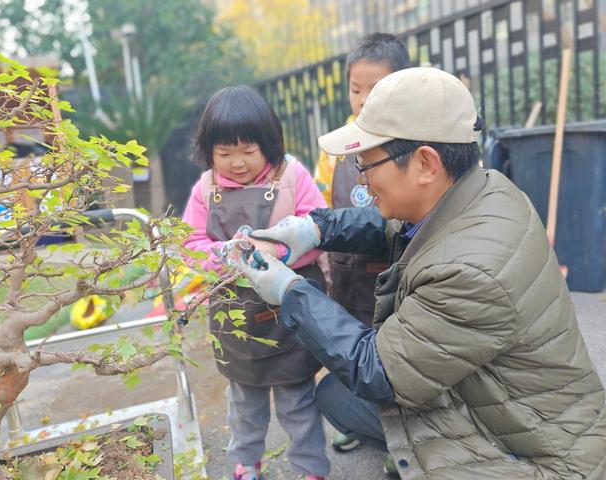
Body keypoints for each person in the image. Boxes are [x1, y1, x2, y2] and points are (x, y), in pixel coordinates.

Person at [236, 68, 606, 479]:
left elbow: (376, 370)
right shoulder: (481, 189)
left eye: (367, 163)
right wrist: (315, 228)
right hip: (510, 406)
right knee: (336, 396)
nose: (362, 176)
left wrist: (290, 293)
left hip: (540, 455)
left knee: (358, 387)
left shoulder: (471, 272)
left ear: (425, 163)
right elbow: (389, 225)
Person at [182, 85, 330, 480]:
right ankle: (245, 464)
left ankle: (310, 468)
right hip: (236, 316)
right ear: (209, 150)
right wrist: (223, 257)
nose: (238, 163)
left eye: (248, 151)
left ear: (269, 143)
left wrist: (280, 254)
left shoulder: (292, 176)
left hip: (290, 310)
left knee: (298, 399)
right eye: (225, 153)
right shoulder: (205, 188)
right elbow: (190, 243)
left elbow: (320, 228)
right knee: (244, 400)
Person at [313, 31, 410, 455]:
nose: (364, 99)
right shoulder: (336, 146)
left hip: (392, 270)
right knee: (346, 346)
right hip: (345, 273)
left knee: (390, 358)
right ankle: (357, 420)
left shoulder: (409, 141)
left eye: (377, 89)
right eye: (356, 89)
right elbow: (320, 198)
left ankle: (398, 441)